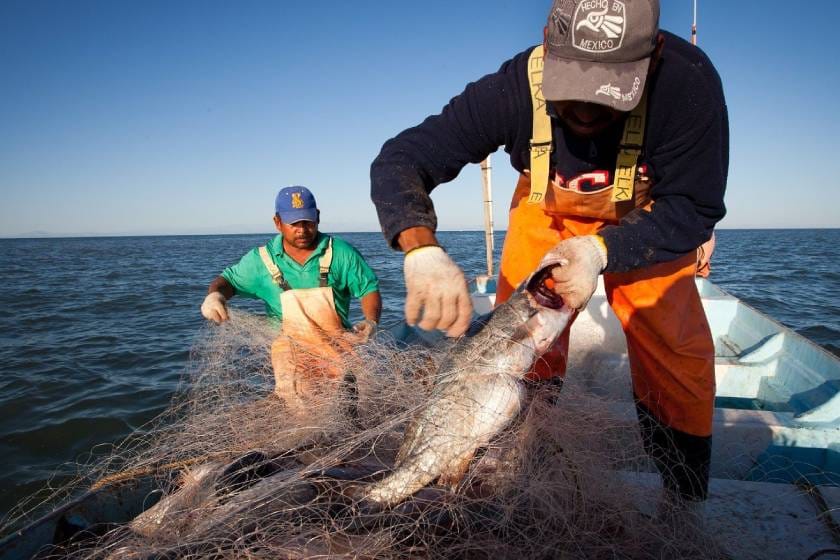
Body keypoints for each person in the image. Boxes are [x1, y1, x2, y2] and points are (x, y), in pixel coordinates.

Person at [370, 0, 727, 513]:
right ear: (548, 42)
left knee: (675, 348)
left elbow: (694, 207)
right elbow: (403, 158)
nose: (584, 110)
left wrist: (602, 250)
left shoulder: (687, 85)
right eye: (573, 87)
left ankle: (682, 503)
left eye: (609, 92)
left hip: (646, 221)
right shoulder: (514, 86)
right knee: (520, 344)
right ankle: (512, 463)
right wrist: (419, 246)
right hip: (549, 212)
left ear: (653, 57)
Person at [201, 186, 382, 411]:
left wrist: (371, 320)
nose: (302, 230)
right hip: (289, 352)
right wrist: (215, 295)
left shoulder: (340, 252)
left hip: (337, 345)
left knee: (351, 403)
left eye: (308, 221)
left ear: (317, 217)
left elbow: (368, 289)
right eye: (293, 223)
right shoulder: (261, 260)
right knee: (301, 408)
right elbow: (227, 281)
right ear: (277, 222)